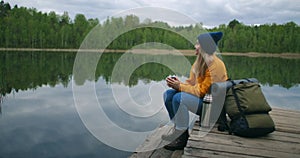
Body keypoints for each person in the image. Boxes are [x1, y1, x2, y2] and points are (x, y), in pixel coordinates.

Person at [162, 32, 228, 150]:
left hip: (212, 108)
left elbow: (203, 91)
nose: (195, 46)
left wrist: (180, 87)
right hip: (202, 101)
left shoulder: (216, 65)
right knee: (168, 95)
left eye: (198, 43)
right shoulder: (199, 62)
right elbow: (191, 84)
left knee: (179, 98)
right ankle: (178, 130)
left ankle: (182, 138)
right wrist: (177, 84)